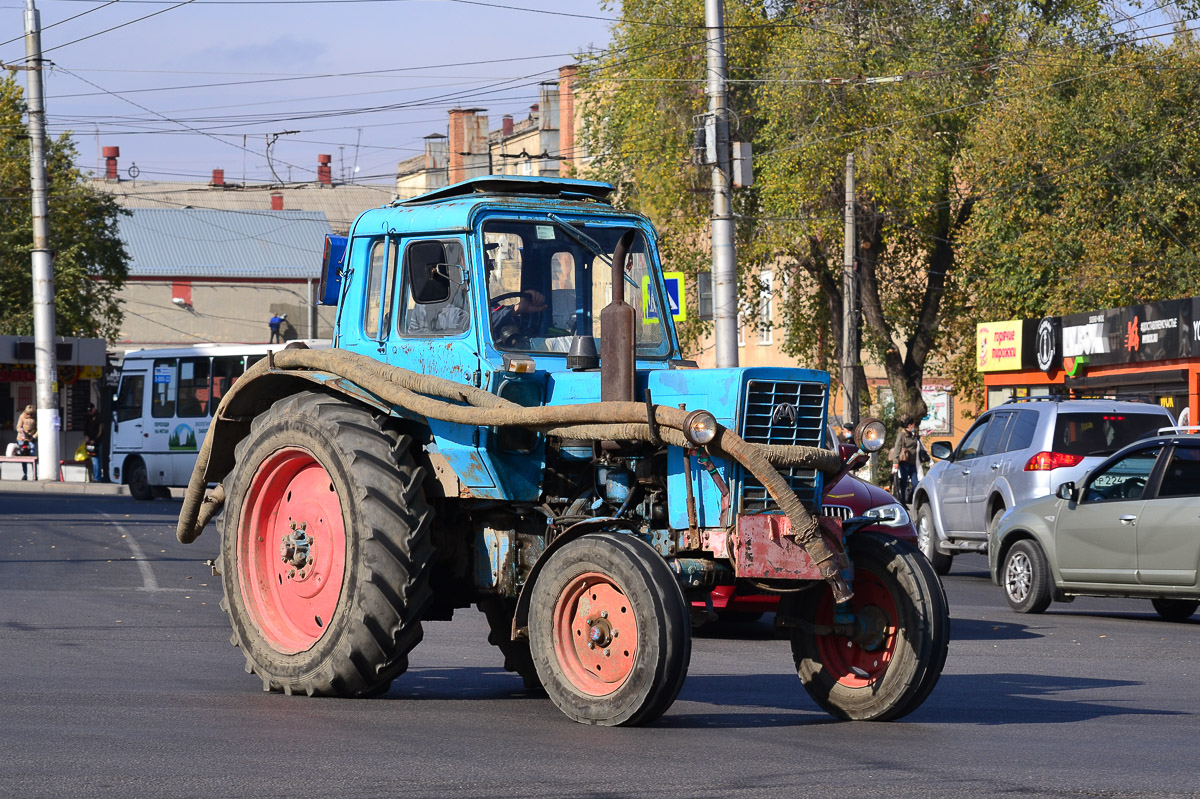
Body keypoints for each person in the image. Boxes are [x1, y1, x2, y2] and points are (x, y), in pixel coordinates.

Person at [890, 418, 927, 504]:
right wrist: (895, 462)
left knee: (916, 483)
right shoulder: (902, 435)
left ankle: (914, 499)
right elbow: (897, 448)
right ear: (909, 425)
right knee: (904, 483)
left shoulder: (914, 435)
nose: (914, 426)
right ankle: (903, 501)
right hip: (904, 462)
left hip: (913, 463)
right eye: (913, 425)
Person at [84, 402, 108, 482]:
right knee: (93, 458)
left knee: (96, 459)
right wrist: (86, 436)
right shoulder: (88, 417)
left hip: (97, 442)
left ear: (94, 409)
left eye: (91, 411)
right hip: (90, 441)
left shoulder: (99, 417)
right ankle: (96, 476)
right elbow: (85, 427)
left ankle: (97, 477)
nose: (90, 412)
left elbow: (100, 431)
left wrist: (94, 439)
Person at [16, 404, 37, 480]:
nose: (30, 416)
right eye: (28, 414)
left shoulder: (36, 417)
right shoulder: (22, 416)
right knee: (23, 456)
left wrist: (34, 436)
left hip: (31, 438)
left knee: (32, 455)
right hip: (22, 438)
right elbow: (18, 427)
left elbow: (39, 428)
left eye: (31, 414)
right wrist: (21, 431)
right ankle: (25, 474)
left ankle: (35, 474)